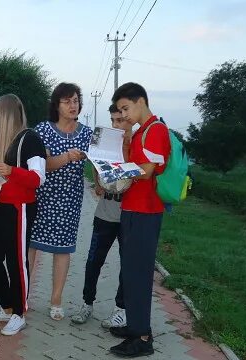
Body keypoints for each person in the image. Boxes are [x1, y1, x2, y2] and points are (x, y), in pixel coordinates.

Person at [108, 82, 171, 357]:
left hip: (146, 212)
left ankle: (143, 338)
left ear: (141, 101)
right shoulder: (141, 132)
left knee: (139, 274)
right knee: (131, 273)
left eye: (126, 108)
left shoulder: (155, 130)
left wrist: (118, 171)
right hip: (133, 209)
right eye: (120, 110)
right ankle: (135, 326)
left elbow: (146, 171)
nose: (124, 115)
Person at [0, 94, 47, 335]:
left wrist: (12, 171)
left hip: (20, 208)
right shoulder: (4, 142)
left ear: (7, 114)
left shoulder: (30, 139)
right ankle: (8, 306)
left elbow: (38, 178)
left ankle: (19, 312)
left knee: (17, 262)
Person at [28, 82, 92, 320]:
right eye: (67, 101)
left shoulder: (87, 133)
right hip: (42, 197)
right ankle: (23, 296)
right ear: (56, 105)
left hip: (70, 200)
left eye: (75, 100)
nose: (72, 105)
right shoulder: (42, 130)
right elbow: (41, 165)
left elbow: (97, 164)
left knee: (63, 250)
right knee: (30, 246)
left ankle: (56, 300)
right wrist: (66, 157)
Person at [71, 104, 132, 327]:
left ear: (131, 120)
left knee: (127, 264)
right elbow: (97, 177)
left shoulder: (137, 146)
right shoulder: (105, 143)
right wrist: (98, 180)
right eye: (114, 120)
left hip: (130, 217)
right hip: (105, 213)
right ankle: (87, 303)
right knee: (94, 260)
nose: (117, 125)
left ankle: (121, 309)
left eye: (122, 120)